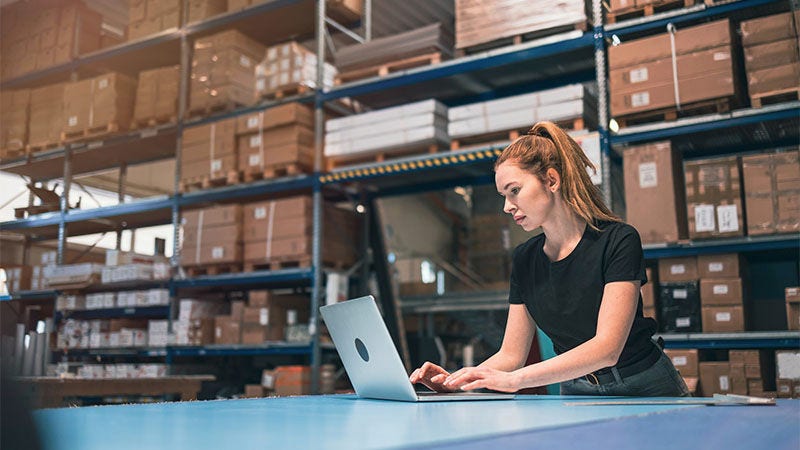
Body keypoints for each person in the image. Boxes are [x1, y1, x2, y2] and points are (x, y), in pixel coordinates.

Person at [410, 121, 690, 397]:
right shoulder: (524, 259)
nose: (507, 206)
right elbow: (511, 354)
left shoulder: (618, 240)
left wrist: (515, 380)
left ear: (552, 181)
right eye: (503, 196)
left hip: (644, 386)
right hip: (578, 390)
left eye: (514, 190)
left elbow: (607, 349)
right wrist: (457, 381)